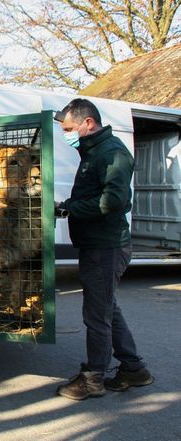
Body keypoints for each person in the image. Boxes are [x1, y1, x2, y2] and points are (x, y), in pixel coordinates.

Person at [54, 98, 153, 401]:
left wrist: (69, 207)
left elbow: (113, 202)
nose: (66, 133)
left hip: (105, 247)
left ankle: (93, 377)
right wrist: (64, 208)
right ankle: (134, 369)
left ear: (88, 123)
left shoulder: (112, 154)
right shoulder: (94, 152)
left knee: (97, 315)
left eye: (69, 128)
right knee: (108, 308)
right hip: (97, 245)